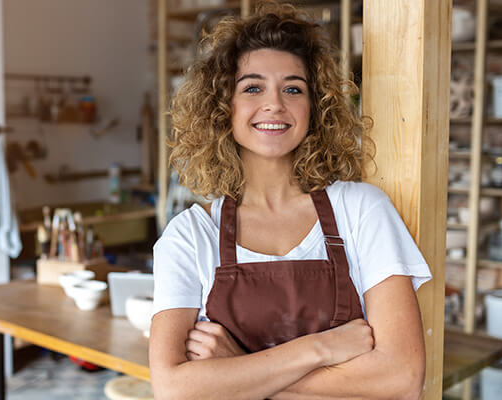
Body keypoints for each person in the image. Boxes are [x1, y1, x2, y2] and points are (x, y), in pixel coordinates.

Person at [149, 2, 432, 399]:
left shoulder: (362, 209)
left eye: (293, 89)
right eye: (252, 87)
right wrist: (321, 349)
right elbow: (173, 388)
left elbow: (401, 377)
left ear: (315, 107)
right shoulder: (190, 235)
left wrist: (235, 370)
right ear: (221, 107)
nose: (274, 104)